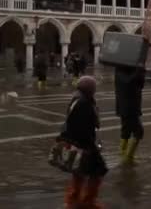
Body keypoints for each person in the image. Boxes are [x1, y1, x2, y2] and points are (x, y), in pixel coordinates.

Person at [59, 76, 106, 209]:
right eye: (94, 88)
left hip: (77, 143)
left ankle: (74, 200)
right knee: (97, 172)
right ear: (89, 89)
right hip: (84, 145)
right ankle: (87, 201)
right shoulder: (83, 103)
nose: (95, 90)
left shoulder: (78, 98)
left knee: (79, 173)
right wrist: (90, 147)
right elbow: (83, 126)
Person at [115, 66, 146, 164]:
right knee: (138, 132)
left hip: (122, 106)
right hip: (131, 107)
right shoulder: (134, 72)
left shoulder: (118, 69)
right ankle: (129, 157)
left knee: (126, 129)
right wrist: (141, 70)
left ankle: (122, 152)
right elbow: (139, 84)